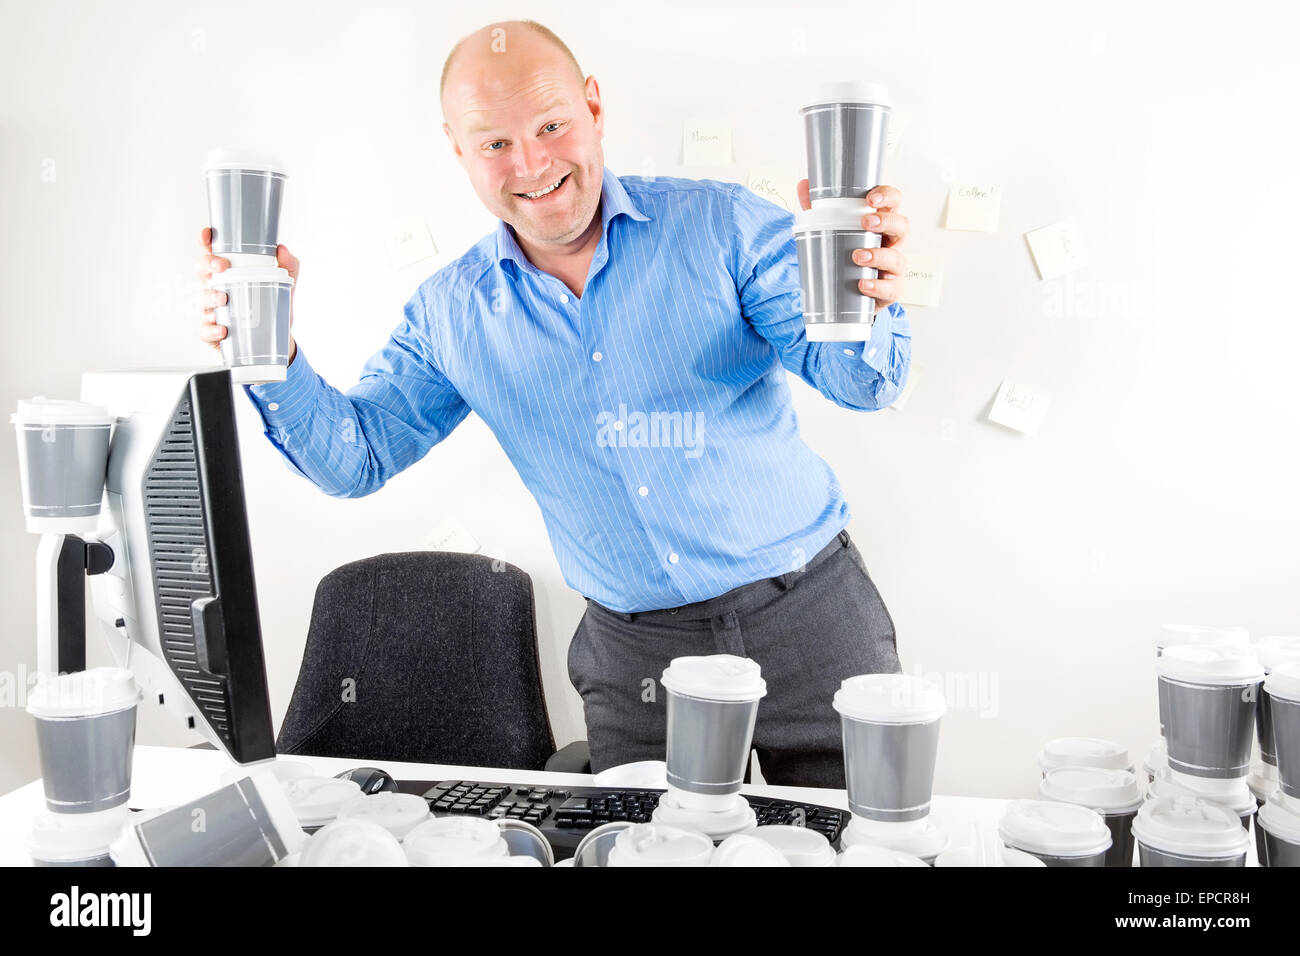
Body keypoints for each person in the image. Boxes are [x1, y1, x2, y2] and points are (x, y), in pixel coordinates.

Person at [195, 19, 913, 787]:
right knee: (650, 850)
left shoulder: (723, 228)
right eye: (494, 143)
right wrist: (272, 357)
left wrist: (862, 282)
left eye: (551, 125)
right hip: (639, 659)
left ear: (594, 109)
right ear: (458, 150)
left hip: (811, 620)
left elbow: (862, 383)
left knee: (865, 845)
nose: (532, 164)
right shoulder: (450, 314)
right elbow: (357, 459)